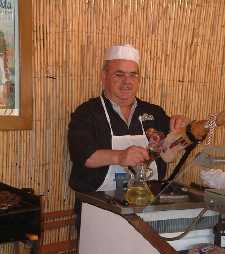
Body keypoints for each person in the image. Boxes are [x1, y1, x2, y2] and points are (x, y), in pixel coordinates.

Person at [68, 44, 188, 193]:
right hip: (98, 203)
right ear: (104, 77)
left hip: (147, 198)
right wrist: (120, 156)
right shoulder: (87, 112)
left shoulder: (154, 112)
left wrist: (182, 128)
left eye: (133, 75)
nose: (127, 81)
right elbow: (84, 156)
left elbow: (181, 141)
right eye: (119, 74)